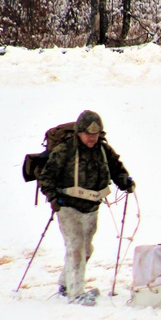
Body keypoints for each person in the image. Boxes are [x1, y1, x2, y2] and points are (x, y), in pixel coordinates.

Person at [38, 110, 134, 305]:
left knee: (86, 248)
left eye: (95, 134)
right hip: (67, 207)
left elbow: (116, 168)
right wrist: (54, 198)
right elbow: (46, 178)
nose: (92, 138)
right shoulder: (65, 150)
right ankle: (76, 293)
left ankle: (66, 284)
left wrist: (124, 181)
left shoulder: (103, 150)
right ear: (79, 132)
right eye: (88, 134)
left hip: (91, 208)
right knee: (76, 247)